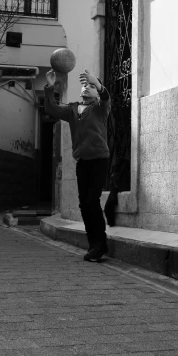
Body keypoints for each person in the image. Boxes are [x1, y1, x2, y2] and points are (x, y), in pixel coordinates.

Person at [44, 68, 111, 262]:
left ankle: (100, 244)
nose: (87, 88)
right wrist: (50, 87)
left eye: (91, 86)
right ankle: (94, 245)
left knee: (92, 201)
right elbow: (51, 108)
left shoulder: (100, 108)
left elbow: (106, 98)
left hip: (99, 159)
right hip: (82, 162)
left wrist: (97, 83)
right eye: (85, 85)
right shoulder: (72, 110)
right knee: (84, 204)